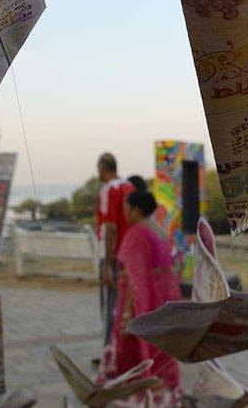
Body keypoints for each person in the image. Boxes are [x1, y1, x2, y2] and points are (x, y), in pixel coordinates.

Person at [103, 189, 181, 405]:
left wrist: (128, 312)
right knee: (163, 348)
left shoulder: (137, 233)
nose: (125, 214)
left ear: (136, 210)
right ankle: (165, 390)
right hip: (166, 297)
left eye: (127, 209)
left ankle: (142, 393)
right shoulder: (160, 229)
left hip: (147, 298)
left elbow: (134, 277)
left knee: (140, 347)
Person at [95, 153, 135, 346]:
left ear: (102, 167)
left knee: (111, 304)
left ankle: (110, 350)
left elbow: (109, 227)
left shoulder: (107, 191)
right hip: (131, 255)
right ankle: (125, 348)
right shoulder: (129, 187)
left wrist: (107, 264)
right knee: (127, 303)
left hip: (113, 256)